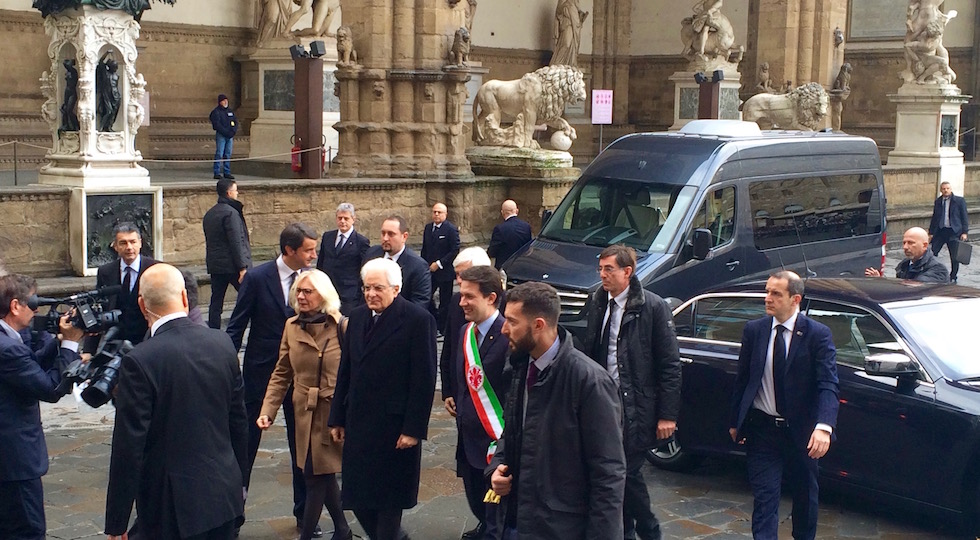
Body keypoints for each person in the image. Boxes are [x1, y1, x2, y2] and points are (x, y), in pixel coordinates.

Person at [104, 264, 249, 540]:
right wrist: (239, 483)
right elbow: (238, 423)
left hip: (171, 505)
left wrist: (117, 521)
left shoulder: (140, 360)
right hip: (223, 495)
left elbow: (129, 445)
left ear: (141, 304)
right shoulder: (222, 343)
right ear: (185, 297)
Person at [489, 282, 626, 539]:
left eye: (512, 321)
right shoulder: (519, 365)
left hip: (562, 527)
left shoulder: (589, 381)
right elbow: (513, 432)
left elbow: (608, 473)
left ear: (538, 325)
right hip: (518, 521)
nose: (504, 329)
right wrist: (497, 467)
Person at [328, 258, 437, 540]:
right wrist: (337, 417)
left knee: (389, 503)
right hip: (360, 424)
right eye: (367, 288)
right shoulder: (357, 317)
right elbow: (347, 369)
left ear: (396, 288)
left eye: (378, 288)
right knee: (358, 499)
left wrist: (413, 429)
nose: (371, 294)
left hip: (394, 428)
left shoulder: (417, 320)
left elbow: (423, 379)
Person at [226, 223, 322, 536]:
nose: (314, 254)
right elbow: (236, 327)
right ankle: (234, 513)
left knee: (303, 446)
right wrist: (227, 372)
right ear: (290, 250)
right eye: (308, 249)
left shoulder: (312, 279)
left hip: (303, 376)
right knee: (245, 443)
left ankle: (305, 515)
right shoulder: (256, 278)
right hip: (260, 374)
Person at [728, 271, 839, 540]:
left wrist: (823, 426)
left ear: (795, 299)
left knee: (805, 496)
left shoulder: (817, 335)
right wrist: (735, 421)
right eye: (767, 292)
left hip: (800, 433)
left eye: (776, 294)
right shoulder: (754, 331)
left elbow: (828, 384)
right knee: (765, 497)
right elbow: (743, 378)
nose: (768, 299)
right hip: (763, 430)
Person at [584, 245, 681, 540]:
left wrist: (667, 415)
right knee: (615, 474)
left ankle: (648, 529)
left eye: (609, 269)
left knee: (626, 472)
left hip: (636, 406)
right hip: (604, 402)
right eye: (600, 269)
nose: (602, 275)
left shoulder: (652, 307)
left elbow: (669, 364)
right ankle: (625, 531)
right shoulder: (597, 300)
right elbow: (592, 349)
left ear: (627, 272)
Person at [257, 269, 352, 540]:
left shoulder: (342, 326)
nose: (301, 296)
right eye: (298, 291)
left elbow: (355, 373)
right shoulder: (291, 326)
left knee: (313, 475)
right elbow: (282, 372)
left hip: (331, 413)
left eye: (307, 291)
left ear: (323, 294)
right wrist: (268, 410)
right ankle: (343, 530)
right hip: (303, 413)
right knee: (319, 473)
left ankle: (306, 535)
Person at [0, 274, 83, 540]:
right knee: (28, 530)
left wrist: (57, 342)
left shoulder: (8, 340)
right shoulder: (7, 349)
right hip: (14, 462)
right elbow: (51, 389)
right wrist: (71, 343)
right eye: (32, 304)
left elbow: (28, 365)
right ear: (15, 306)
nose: (36, 310)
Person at [444, 265, 509, 540]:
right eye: (461, 295)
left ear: (491, 297)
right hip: (468, 438)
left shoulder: (508, 335)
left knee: (498, 514)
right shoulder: (465, 333)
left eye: (469, 296)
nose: (462, 302)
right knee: (477, 501)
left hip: (496, 443)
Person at [440, 247, 496, 412]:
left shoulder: (507, 307)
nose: (459, 280)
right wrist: (447, 390)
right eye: (457, 275)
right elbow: (449, 347)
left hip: (491, 401)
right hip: (461, 395)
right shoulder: (457, 302)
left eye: (463, 274)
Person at [95, 222, 156, 346]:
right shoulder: (105, 272)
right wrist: (89, 350)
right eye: (123, 243)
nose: (129, 247)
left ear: (140, 243)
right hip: (114, 342)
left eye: (133, 242)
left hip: (147, 341)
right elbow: (98, 310)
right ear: (115, 246)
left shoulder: (155, 269)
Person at [203, 178, 252, 329]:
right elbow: (236, 241)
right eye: (236, 190)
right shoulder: (231, 213)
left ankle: (213, 332)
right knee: (250, 297)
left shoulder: (210, 214)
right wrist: (242, 267)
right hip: (232, 265)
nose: (237, 193)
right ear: (229, 193)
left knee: (216, 302)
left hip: (216, 265)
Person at [364, 215, 432, 309]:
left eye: (391, 234)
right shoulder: (371, 255)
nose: (385, 238)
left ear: (404, 236)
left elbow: (420, 303)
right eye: (383, 233)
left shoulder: (418, 266)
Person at [316, 203, 370, 315]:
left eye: (346, 218)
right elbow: (321, 262)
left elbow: (364, 268)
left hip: (348, 294)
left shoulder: (361, 242)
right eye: (340, 218)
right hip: (328, 290)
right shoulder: (328, 237)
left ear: (353, 219)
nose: (343, 221)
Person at [421, 202, 460, 332]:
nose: (436, 214)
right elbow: (425, 248)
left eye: (439, 212)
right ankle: (433, 319)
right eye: (434, 212)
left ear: (445, 214)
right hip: (429, 271)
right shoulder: (428, 228)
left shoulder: (451, 229)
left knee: (445, 301)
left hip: (445, 272)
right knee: (427, 296)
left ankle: (442, 328)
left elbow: (454, 250)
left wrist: (439, 263)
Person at [865, 227, 949, 283]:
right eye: (904, 243)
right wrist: (881, 281)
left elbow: (912, 288)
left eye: (911, 243)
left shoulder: (938, 268)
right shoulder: (905, 263)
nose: (905, 247)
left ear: (925, 245)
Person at [928, 181, 970, 283]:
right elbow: (935, 218)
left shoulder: (959, 201)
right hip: (941, 231)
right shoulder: (938, 201)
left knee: (954, 256)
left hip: (954, 231)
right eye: (943, 189)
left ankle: (953, 276)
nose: (946, 190)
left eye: (947, 188)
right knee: (932, 252)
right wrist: (931, 232)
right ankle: (932, 272)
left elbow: (964, 217)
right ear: (941, 190)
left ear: (950, 189)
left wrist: (964, 232)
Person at [487, 200, 532, 270]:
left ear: (502, 212)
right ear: (517, 211)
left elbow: (492, 251)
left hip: (504, 267)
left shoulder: (500, 229)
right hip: (521, 265)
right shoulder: (526, 226)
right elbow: (528, 248)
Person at [550, 0, 588, 67]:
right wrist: (566, 6)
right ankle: (557, 63)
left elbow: (577, 17)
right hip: (567, 26)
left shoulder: (574, 3)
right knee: (566, 44)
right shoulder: (564, 3)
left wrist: (581, 18)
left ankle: (570, 63)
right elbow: (558, 12)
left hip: (574, 28)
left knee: (571, 45)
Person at [210, 94, 238, 180]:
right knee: (219, 153)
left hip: (229, 135)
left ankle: (227, 172)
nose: (226, 102)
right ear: (220, 102)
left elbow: (235, 122)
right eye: (224, 101)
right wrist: (226, 132)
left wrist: (233, 131)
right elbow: (217, 125)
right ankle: (217, 172)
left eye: (226, 100)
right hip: (221, 135)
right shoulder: (216, 112)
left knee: (228, 154)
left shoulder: (230, 111)